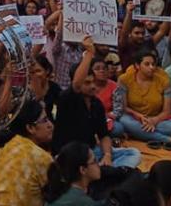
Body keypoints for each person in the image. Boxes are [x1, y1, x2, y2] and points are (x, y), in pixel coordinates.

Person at [52, 37, 140, 169]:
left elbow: (103, 135)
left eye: (93, 82)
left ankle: (102, 172)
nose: (93, 86)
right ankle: (105, 173)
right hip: (69, 155)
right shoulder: (67, 99)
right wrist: (89, 53)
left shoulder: (96, 103)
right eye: (87, 83)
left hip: (92, 152)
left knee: (134, 153)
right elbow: (77, 84)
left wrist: (107, 156)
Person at [0, 99, 53, 206]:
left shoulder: (7, 146)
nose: (50, 125)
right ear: (30, 128)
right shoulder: (40, 157)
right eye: (44, 120)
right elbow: (58, 195)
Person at [115, 48, 171, 146]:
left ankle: (139, 133)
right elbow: (123, 108)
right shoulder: (124, 79)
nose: (151, 67)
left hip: (156, 119)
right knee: (124, 121)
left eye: (153, 64)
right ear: (137, 66)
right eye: (147, 64)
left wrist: (153, 120)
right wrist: (138, 115)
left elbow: (167, 111)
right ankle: (167, 139)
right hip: (134, 118)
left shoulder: (163, 80)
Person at [42, 142, 101, 206]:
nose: (99, 164)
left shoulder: (53, 196)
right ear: (83, 169)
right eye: (94, 160)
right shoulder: (86, 205)